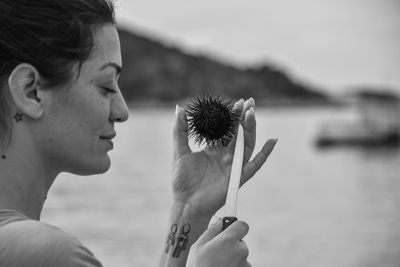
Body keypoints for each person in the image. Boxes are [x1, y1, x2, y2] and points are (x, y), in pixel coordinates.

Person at [0, 0, 277, 266]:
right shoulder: (50, 257)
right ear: (31, 91)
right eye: (107, 86)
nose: (122, 110)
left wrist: (187, 211)